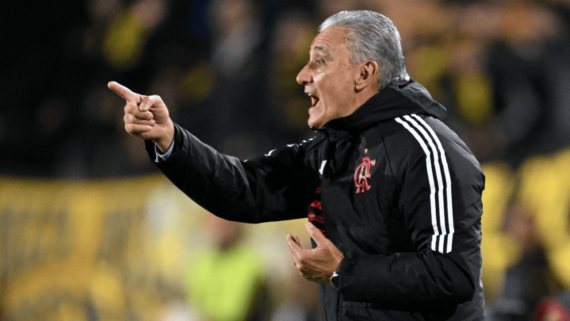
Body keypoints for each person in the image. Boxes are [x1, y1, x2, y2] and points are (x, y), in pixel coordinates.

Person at [109, 10, 485, 320]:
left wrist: (343, 272)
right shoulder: (327, 151)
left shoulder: (428, 149)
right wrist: (170, 139)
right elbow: (244, 189)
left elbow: (452, 273)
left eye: (319, 62)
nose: (302, 75)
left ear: (364, 73)